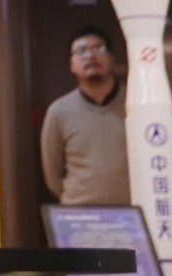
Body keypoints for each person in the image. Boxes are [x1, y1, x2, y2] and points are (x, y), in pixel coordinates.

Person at [39, 25, 130, 206]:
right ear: (72, 65)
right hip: (79, 214)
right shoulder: (59, 111)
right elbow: (52, 176)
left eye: (99, 48)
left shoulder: (134, 104)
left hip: (131, 213)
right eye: (81, 51)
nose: (90, 56)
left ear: (112, 59)